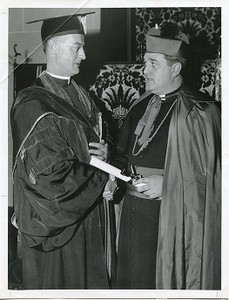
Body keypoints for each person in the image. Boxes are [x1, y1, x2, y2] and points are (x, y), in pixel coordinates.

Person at [10, 13, 116, 289]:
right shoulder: (32, 104)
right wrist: (101, 178)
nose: (84, 54)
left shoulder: (83, 96)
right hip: (57, 227)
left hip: (88, 212)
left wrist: (107, 153)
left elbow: (96, 148)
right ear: (53, 45)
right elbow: (49, 176)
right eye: (76, 46)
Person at [112, 22, 221, 289]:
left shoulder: (201, 111)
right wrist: (111, 172)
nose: (143, 70)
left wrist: (169, 185)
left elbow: (213, 183)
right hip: (131, 214)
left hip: (170, 220)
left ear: (175, 68)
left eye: (153, 64)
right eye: (145, 63)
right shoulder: (140, 105)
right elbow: (122, 155)